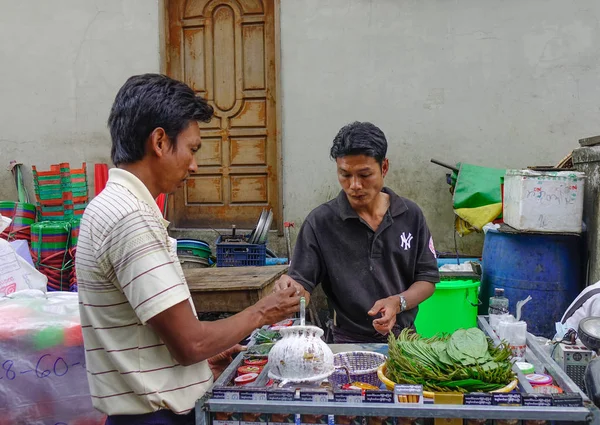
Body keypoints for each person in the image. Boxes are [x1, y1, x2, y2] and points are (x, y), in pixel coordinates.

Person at [76, 74, 300, 425]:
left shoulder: (110, 205)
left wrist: (200, 364)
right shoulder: (130, 217)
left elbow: (156, 336)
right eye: (193, 149)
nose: (194, 165)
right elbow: (190, 344)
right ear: (160, 142)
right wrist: (264, 311)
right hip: (155, 418)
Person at [274, 122, 440, 343]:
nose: (354, 185)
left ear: (384, 168)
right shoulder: (320, 222)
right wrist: (293, 289)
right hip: (346, 341)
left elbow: (427, 280)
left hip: (406, 340)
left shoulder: (410, 215)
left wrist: (396, 302)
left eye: (364, 175)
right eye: (345, 174)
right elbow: (301, 283)